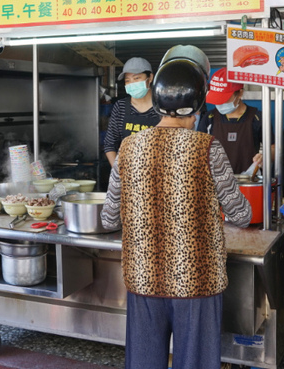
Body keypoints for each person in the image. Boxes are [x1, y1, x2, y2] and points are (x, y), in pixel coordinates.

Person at [101, 58, 251, 369]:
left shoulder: (128, 149)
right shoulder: (207, 147)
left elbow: (109, 218)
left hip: (144, 280)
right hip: (196, 282)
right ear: (197, 106)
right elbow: (241, 215)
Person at [103, 57, 161, 168]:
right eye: (127, 80)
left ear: (150, 78)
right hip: (127, 175)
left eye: (137, 78)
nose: (132, 83)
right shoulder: (120, 107)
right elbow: (110, 144)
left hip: (157, 175)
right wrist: (118, 172)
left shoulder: (162, 106)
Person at [204, 67, 262, 174]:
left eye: (224, 99)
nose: (220, 104)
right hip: (216, 184)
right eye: (217, 99)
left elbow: (272, 147)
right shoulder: (209, 118)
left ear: (240, 93)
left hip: (247, 183)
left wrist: (264, 157)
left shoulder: (257, 118)